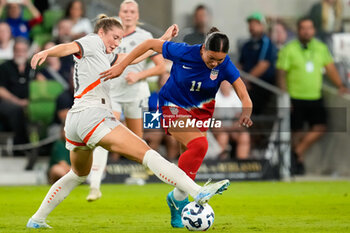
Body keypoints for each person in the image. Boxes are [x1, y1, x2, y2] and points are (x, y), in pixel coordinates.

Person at [26, 15, 230, 229]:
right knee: (147, 153)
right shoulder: (93, 41)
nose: (116, 43)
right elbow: (70, 46)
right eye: (114, 37)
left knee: (78, 174)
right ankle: (197, 191)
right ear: (102, 32)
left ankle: (36, 220)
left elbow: (133, 58)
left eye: (120, 38)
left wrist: (162, 40)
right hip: (93, 115)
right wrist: (47, 51)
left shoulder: (102, 55)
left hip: (76, 119)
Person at [101, 27, 253, 228]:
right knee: (200, 145)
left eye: (220, 60)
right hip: (172, 107)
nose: (215, 63)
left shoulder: (225, 64)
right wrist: (122, 67)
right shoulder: (183, 51)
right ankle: (191, 193)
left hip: (200, 115)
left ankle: (176, 200)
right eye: (212, 58)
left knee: (189, 162)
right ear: (203, 48)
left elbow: (243, 92)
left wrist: (246, 111)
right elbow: (148, 44)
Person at [86, 0, 166, 202]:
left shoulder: (144, 37)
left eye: (132, 11)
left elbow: (160, 67)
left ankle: (153, 172)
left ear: (137, 16)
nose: (128, 14)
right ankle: (95, 184)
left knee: (136, 139)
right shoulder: (110, 35)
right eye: (125, 11)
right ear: (119, 14)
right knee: (105, 132)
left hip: (135, 93)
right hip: (113, 92)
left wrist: (139, 76)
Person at [276, 17, 348, 174]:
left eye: (309, 28)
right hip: (295, 96)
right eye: (303, 28)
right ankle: (297, 162)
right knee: (297, 131)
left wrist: (340, 86)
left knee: (321, 127)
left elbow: (330, 69)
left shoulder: (320, 48)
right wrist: (284, 95)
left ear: (314, 30)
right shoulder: (289, 48)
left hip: (314, 96)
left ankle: (297, 153)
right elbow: (281, 73)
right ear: (298, 30)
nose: (306, 31)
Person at [238, 12, 278, 115]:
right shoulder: (247, 44)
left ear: (262, 25)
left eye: (255, 24)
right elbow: (240, 64)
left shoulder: (266, 43)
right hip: (247, 84)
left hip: (261, 85)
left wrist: (246, 80)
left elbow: (263, 65)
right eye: (250, 24)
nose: (252, 26)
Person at [0, 37, 33, 145]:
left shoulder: (32, 68)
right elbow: (1, 89)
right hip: (7, 102)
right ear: (13, 51)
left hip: (29, 102)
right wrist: (18, 102)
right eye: (17, 50)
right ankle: (21, 145)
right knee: (16, 110)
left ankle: (41, 146)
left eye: (23, 51)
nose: (20, 53)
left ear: (27, 52)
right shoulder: (4, 67)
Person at [213, 81, 251, 160]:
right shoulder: (214, 95)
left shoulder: (236, 96)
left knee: (244, 136)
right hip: (219, 128)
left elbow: (239, 116)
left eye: (227, 83)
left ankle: (242, 164)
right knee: (223, 136)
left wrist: (233, 127)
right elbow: (214, 118)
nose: (225, 85)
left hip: (232, 128)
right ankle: (220, 164)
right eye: (223, 83)